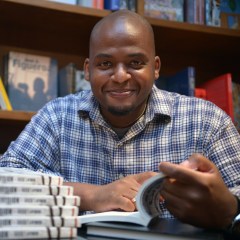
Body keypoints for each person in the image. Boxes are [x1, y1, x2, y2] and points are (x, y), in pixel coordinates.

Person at [0, 10, 240, 233]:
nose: (120, 76)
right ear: (88, 70)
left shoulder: (207, 121)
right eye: (105, 64)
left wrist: (228, 210)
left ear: (155, 68)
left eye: (135, 63)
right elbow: (5, 182)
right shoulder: (56, 117)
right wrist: (91, 195)